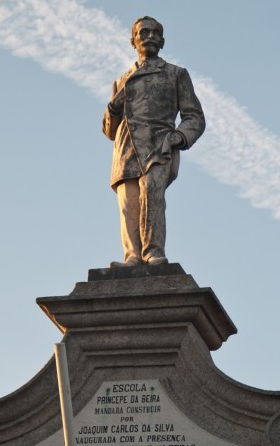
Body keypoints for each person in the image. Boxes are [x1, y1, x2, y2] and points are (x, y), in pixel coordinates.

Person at [103, 16, 205, 267]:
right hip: (126, 147)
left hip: (159, 144)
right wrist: (113, 108)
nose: (150, 37)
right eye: (144, 32)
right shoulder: (121, 81)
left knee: (152, 195)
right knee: (128, 204)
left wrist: (179, 136)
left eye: (155, 33)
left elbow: (194, 116)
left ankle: (153, 251)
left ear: (162, 41)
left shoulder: (175, 74)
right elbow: (109, 130)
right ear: (133, 40)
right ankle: (132, 256)